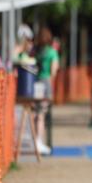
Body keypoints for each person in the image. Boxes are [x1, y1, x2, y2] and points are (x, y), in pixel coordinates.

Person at [33, 26, 59, 155]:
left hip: (36, 82)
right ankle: (39, 141)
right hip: (46, 82)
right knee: (42, 114)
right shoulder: (52, 52)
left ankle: (36, 139)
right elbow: (53, 71)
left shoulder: (37, 52)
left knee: (36, 112)